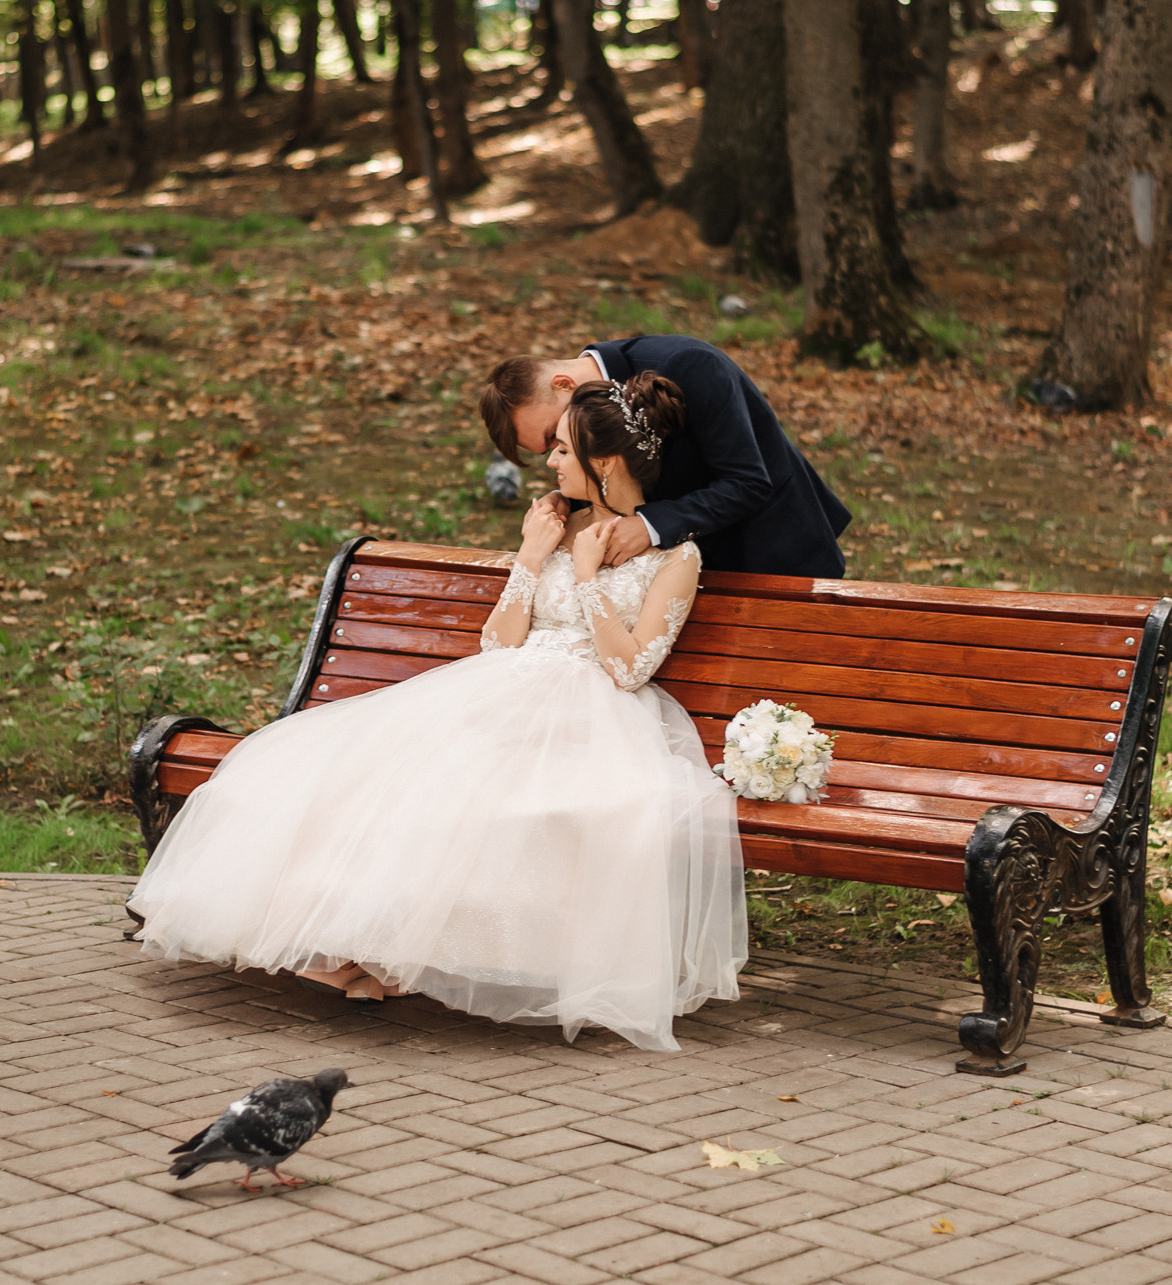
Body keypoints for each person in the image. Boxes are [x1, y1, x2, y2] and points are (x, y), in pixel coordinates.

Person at [127, 373, 746, 1052]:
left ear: (604, 464)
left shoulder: (677, 556)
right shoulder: (557, 530)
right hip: (505, 685)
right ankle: (353, 948)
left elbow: (629, 668)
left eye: (563, 451)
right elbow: (497, 643)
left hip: (593, 709)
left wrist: (593, 580)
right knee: (383, 773)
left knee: (499, 804)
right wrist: (531, 560)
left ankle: (390, 959)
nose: (550, 462)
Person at [479, 335, 850, 579]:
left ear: (564, 383)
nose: (560, 452)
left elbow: (748, 482)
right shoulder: (583, 399)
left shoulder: (689, 366)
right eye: (550, 448)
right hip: (679, 582)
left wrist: (650, 525)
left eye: (553, 434)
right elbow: (611, 474)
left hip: (772, 557)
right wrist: (567, 503)